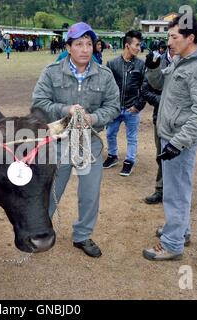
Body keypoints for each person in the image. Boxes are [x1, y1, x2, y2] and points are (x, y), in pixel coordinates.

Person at [31, 22, 120, 258]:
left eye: (89, 44)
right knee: (50, 191)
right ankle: (41, 230)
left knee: (90, 194)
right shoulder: (51, 72)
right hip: (59, 142)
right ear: (68, 47)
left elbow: (113, 107)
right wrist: (65, 109)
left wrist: (93, 117)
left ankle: (82, 235)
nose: (85, 49)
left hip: (89, 142)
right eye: (79, 44)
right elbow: (38, 104)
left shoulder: (105, 75)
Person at [143, 14, 197, 261]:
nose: (169, 42)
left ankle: (172, 244)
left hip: (179, 141)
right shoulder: (180, 60)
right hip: (170, 136)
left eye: (174, 37)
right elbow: (159, 86)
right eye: (168, 36)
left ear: (190, 38)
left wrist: (177, 143)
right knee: (178, 189)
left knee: (176, 193)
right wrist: (153, 68)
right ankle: (181, 231)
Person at [103, 30, 146, 176]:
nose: (139, 48)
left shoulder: (141, 65)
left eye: (140, 45)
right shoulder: (112, 64)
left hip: (131, 109)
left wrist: (138, 106)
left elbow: (145, 88)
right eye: (137, 45)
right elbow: (106, 87)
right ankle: (112, 156)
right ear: (127, 45)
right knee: (110, 133)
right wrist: (109, 106)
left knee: (132, 137)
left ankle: (129, 161)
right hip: (115, 109)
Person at [142, 46, 175, 205]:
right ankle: (161, 189)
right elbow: (146, 89)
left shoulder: (190, 62)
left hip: (181, 120)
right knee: (161, 154)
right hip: (160, 118)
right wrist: (163, 103)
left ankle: (174, 190)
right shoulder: (156, 61)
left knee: (180, 157)